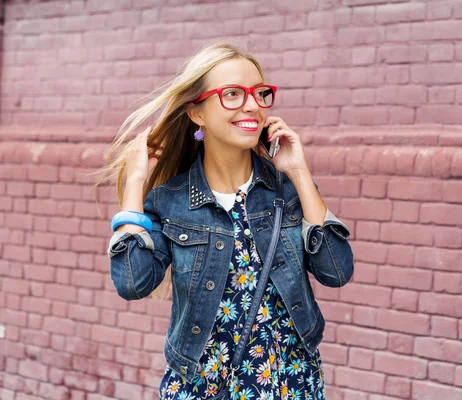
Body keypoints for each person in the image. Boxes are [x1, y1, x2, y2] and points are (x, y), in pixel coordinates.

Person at [98, 41, 354, 400]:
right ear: (196, 114)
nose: (252, 105)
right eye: (232, 94)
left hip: (291, 383)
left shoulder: (286, 189)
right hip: (204, 387)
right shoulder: (171, 201)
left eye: (259, 93)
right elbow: (131, 282)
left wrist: (298, 171)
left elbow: (336, 272)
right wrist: (136, 184)